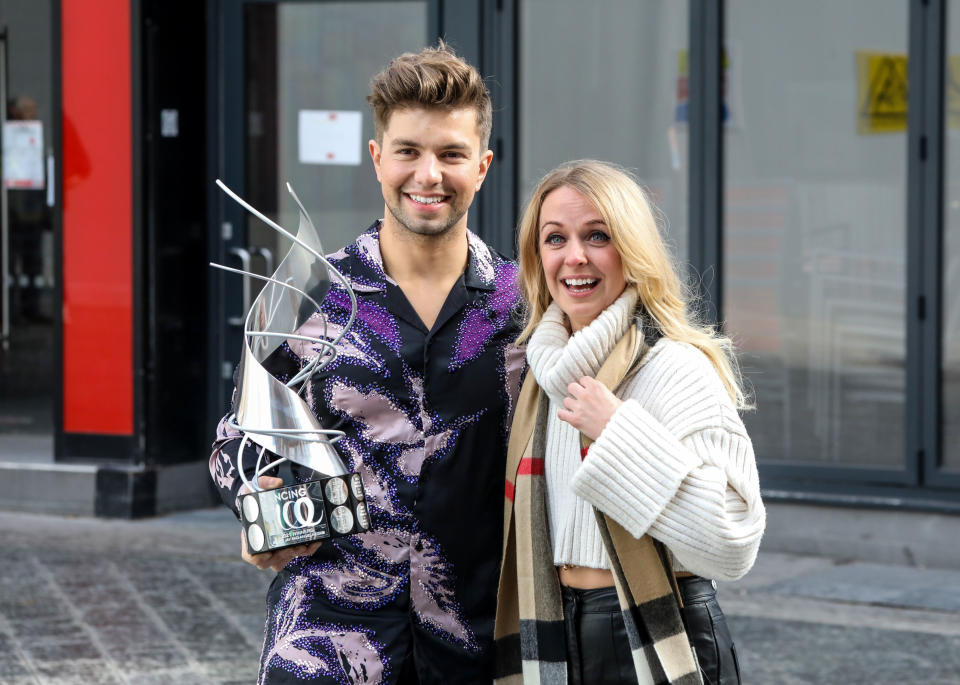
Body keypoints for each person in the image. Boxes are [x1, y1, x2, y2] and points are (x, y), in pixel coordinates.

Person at [209, 43, 525, 684]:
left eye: (451, 154)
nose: (428, 174)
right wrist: (257, 497)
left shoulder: (524, 309)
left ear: (483, 166)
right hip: (326, 640)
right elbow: (233, 442)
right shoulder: (311, 297)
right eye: (408, 151)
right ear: (378, 158)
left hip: (478, 643)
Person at [494, 160, 765, 685]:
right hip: (553, 633)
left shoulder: (675, 366)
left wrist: (617, 431)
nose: (575, 257)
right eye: (556, 239)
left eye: (598, 236)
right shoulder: (538, 379)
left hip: (658, 632)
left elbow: (734, 542)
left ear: (631, 249)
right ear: (536, 257)